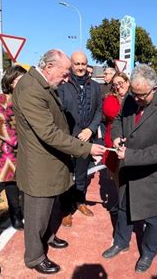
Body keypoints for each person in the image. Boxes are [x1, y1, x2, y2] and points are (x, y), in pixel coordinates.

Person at [12, 49, 105, 275]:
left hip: (50, 162)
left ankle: (48, 237)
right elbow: (49, 133)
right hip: (39, 166)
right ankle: (34, 256)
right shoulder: (30, 89)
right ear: (49, 67)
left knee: (48, 210)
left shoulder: (42, 84)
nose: (67, 78)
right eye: (64, 73)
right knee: (37, 215)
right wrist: (87, 148)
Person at [101, 64, 157, 273]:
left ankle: (148, 253)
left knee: (153, 218)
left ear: (154, 89)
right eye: (133, 94)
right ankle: (121, 242)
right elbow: (117, 119)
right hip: (128, 170)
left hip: (151, 174)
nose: (135, 99)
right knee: (124, 209)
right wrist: (116, 136)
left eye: (141, 96)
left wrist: (131, 155)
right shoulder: (131, 97)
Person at [58, 51, 102, 227]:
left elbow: (99, 110)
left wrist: (91, 130)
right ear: (71, 65)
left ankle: (80, 202)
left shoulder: (96, 86)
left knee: (82, 174)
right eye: (77, 64)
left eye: (83, 64)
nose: (81, 67)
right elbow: (58, 113)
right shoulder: (62, 85)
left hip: (86, 138)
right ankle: (66, 210)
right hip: (68, 139)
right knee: (67, 175)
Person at [0, 65, 26, 230]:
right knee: (11, 185)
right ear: (10, 81)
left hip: (27, 150)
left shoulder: (27, 98)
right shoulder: (0, 100)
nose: (21, 83)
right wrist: (20, 139)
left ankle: (25, 212)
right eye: (18, 80)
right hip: (8, 151)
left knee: (26, 184)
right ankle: (15, 216)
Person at [102, 72, 130, 188]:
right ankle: (121, 203)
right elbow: (114, 114)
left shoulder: (134, 97)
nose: (118, 86)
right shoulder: (110, 99)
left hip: (132, 142)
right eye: (115, 85)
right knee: (118, 175)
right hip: (115, 141)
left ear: (128, 83)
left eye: (120, 83)